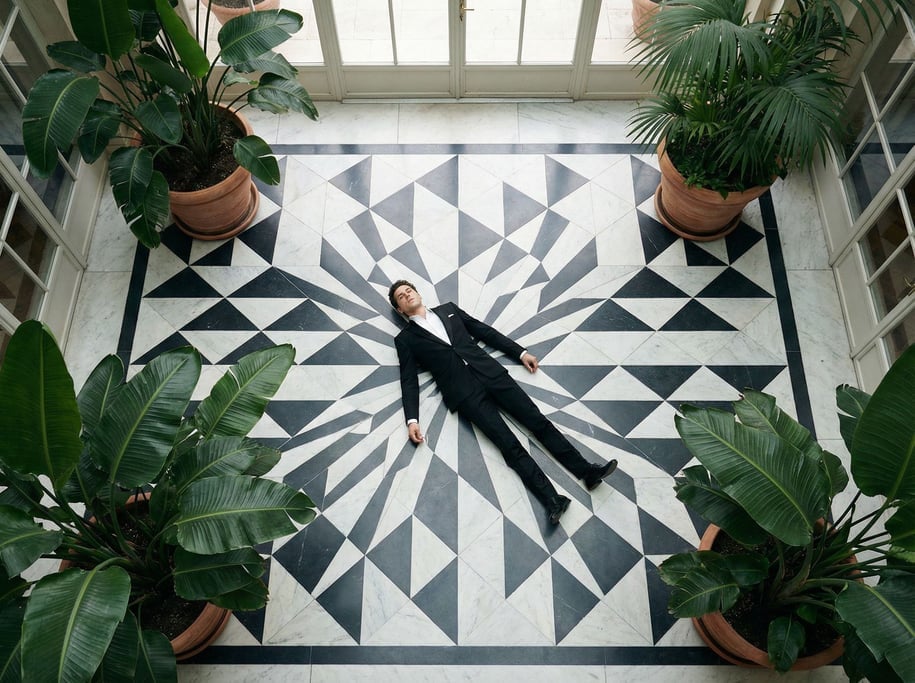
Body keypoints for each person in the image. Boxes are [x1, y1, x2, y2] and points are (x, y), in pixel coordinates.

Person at [389, 279, 617, 524]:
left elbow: (484, 331)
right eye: (401, 296)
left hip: (493, 375)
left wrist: (519, 352)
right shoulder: (406, 339)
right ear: (401, 310)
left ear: (418, 293)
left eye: (409, 290)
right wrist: (412, 419)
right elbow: (408, 380)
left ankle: (587, 472)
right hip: (466, 395)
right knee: (509, 445)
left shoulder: (448, 309)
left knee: (538, 422)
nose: (407, 294)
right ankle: (552, 499)